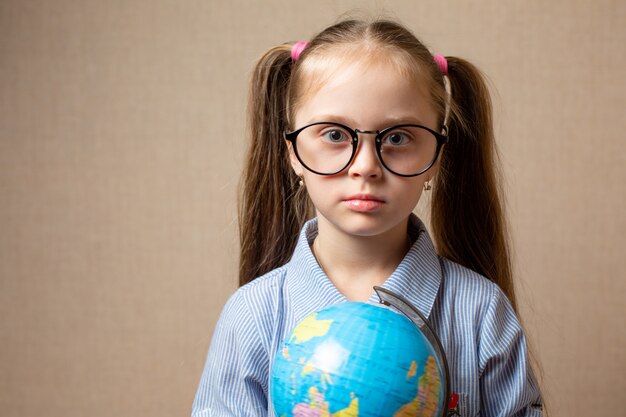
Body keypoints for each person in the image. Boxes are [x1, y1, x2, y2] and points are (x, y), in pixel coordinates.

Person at [192, 18, 543, 417]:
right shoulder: (252, 315)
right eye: (335, 135)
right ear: (292, 152)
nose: (365, 166)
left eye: (397, 138)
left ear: (436, 156)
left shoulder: (480, 312)